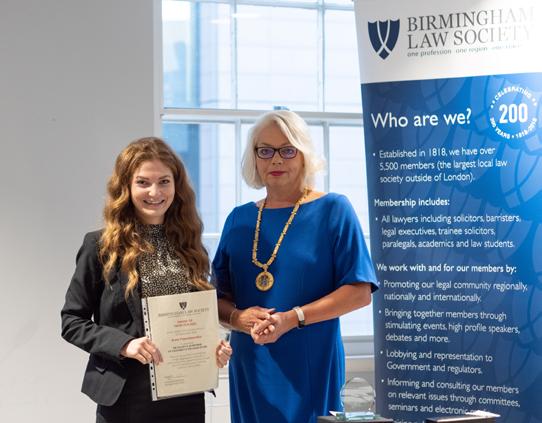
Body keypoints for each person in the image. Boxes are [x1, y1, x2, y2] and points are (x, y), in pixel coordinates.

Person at [212, 110, 379, 423]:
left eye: (287, 150)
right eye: (265, 150)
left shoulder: (333, 210)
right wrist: (238, 317)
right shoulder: (238, 219)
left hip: (311, 362)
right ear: (254, 158)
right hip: (251, 365)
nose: (276, 159)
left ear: (304, 155)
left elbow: (359, 292)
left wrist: (292, 318)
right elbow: (215, 300)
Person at [61, 137, 232, 423]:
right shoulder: (100, 246)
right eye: (143, 182)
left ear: (176, 186)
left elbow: (195, 316)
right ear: (126, 187)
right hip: (126, 395)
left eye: (164, 182)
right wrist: (123, 344)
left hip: (186, 395)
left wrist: (211, 346)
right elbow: (71, 321)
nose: (155, 192)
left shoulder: (190, 246)